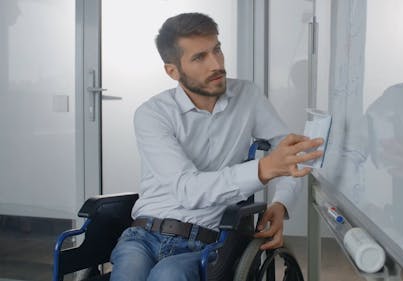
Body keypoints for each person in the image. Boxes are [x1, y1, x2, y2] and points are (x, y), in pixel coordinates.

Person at [109, 13, 324, 281]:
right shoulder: (152, 114)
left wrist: (281, 204)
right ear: (172, 71)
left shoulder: (248, 96)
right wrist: (263, 169)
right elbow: (188, 190)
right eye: (199, 57)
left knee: (169, 275)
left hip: (207, 240)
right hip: (143, 235)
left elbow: (291, 154)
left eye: (217, 50)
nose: (217, 64)